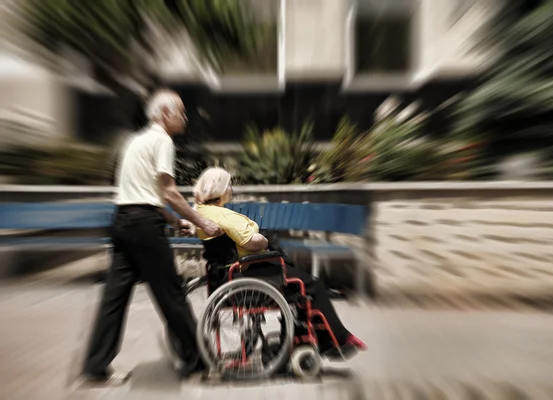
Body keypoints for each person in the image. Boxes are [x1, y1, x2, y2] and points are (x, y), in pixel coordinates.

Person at [81, 90, 223, 385]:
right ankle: (198, 363)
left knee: (114, 298)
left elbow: (146, 193)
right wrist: (201, 222)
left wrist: (174, 221)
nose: (185, 117)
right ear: (163, 114)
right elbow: (168, 191)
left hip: (123, 222)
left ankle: (95, 366)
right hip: (144, 227)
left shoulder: (134, 141)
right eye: (180, 112)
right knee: (172, 295)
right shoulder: (162, 141)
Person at [192, 167, 367, 359]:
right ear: (220, 189)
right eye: (229, 185)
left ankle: (304, 338)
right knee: (311, 285)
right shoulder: (221, 215)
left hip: (227, 274)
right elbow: (250, 241)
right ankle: (337, 340)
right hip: (247, 272)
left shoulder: (201, 211)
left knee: (296, 278)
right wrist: (265, 241)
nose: (231, 189)